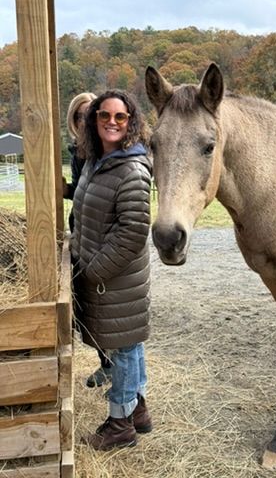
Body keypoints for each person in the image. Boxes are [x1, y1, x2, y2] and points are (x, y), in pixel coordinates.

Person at [71, 89, 153, 450]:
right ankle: (138, 410)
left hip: (114, 279)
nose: (112, 123)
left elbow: (132, 232)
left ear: (131, 122)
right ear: (94, 120)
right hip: (108, 277)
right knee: (128, 346)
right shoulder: (96, 161)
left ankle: (120, 425)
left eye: (120, 117)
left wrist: (93, 270)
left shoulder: (131, 169)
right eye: (104, 116)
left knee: (123, 349)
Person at [63, 91, 112, 388]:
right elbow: (81, 193)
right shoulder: (78, 152)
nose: (83, 120)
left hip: (100, 238)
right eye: (78, 115)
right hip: (80, 233)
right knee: (85, 310)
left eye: (89, 114)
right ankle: (106, 364)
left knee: (107, 310)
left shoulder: (104, 152)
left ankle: (122, 379)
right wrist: (64, 190)